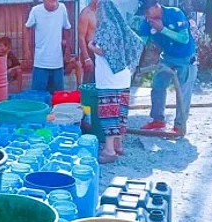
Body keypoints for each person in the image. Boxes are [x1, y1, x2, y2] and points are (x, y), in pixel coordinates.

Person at [89, 0, 143, 163]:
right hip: (124, 77)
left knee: (109, 113)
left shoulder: (105, 28)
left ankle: (109, 150)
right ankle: (119, 145)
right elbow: (139, 43)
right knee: (120, 112)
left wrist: (91, 47)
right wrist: (130, 64)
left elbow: (104, 50)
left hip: (109, 79)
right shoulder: (123, 28)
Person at [138, 0, 197, 136]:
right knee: (158, 85)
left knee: (183, 92)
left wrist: (162, 29)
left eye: (147, 12)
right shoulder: (147, 22)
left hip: (185, 58)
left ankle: (179, 126)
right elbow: (140, 42)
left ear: (156, 6)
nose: (146, 16)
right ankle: (158, 120)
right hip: (167, 57)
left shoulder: (175, 14)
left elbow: (184, 38)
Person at [26, 0, 71, 93]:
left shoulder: (62, 8)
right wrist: (27, 50)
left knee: (58, 97)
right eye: (49, 1)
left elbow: (67, 29)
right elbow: (28, 28)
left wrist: (67, 49)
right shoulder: (35, 10)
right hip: (40, 63)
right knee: (38, 97)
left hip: (57, 63)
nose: (52, 4)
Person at [78, 0, 98, 84]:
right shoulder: (85, 14)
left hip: (101, 54)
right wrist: (87, 58)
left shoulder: (104, 12)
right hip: (90, 53)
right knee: (89, 82)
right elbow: (81, 37)